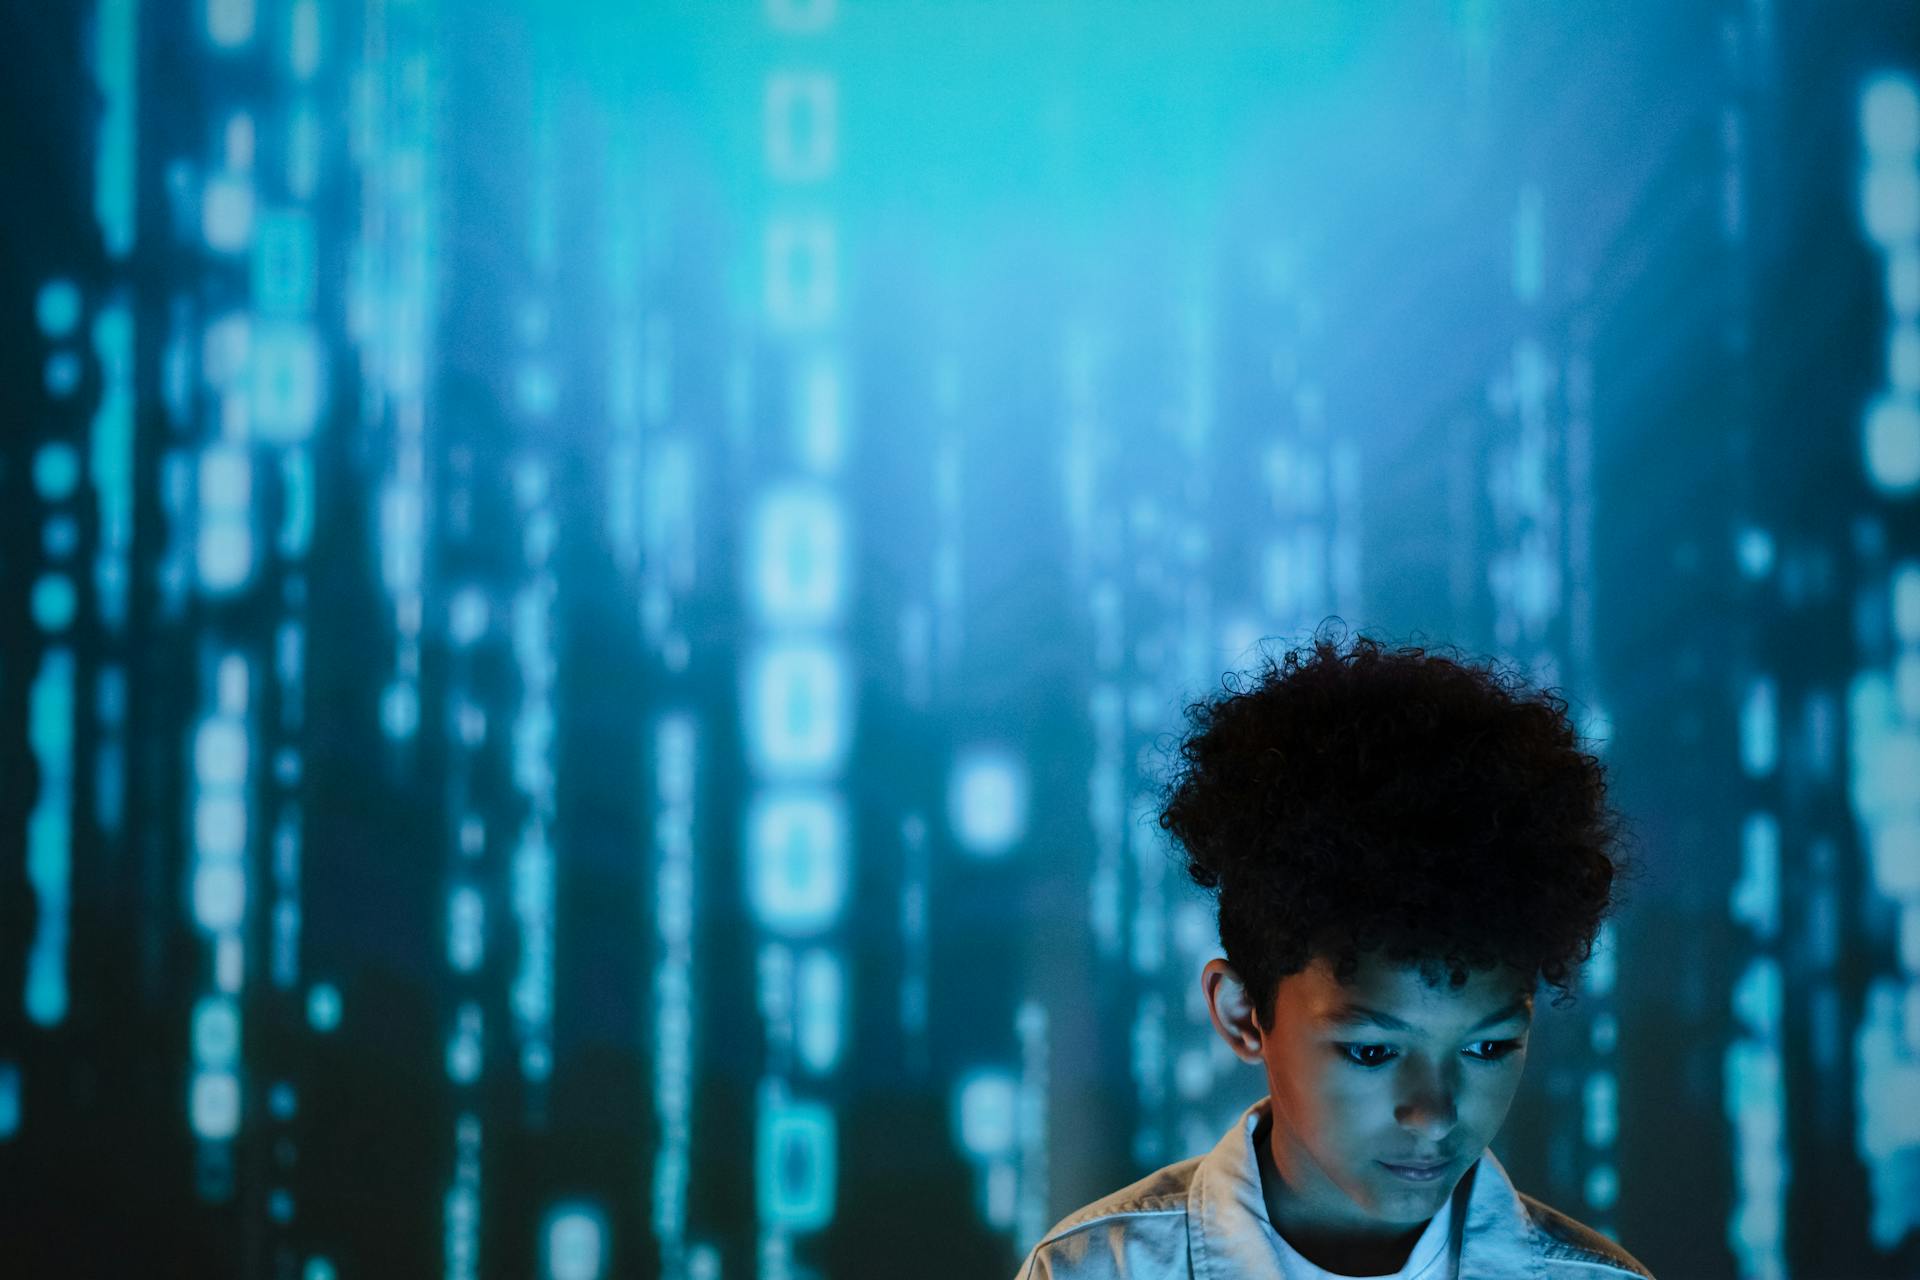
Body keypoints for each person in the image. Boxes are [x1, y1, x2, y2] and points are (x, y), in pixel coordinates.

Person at [1017, 635, 1654, 1279]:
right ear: (1241, 1013)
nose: (1433, 1113)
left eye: (1487, 1048)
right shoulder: (1096, 1271)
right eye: (1372, 1050)